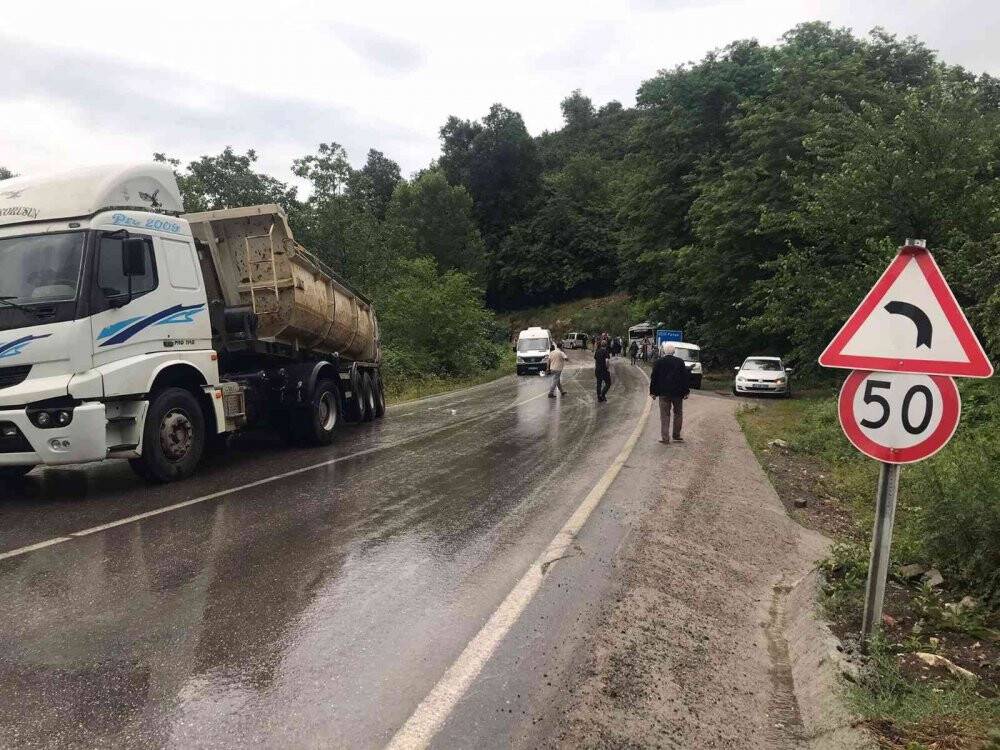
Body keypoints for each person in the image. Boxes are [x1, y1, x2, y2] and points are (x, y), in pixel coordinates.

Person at [649, 342, 690, 443]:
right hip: (677, 393)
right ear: (674, 352)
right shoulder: (680, 362)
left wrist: (653, 392)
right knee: (678, 414)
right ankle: (676, 435)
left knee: (665, 415)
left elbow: (654, 378)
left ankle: (665, 438)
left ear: (664, 351)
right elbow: (684, 378)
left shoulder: (659, 362)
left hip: (663, 393)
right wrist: (686, 391)